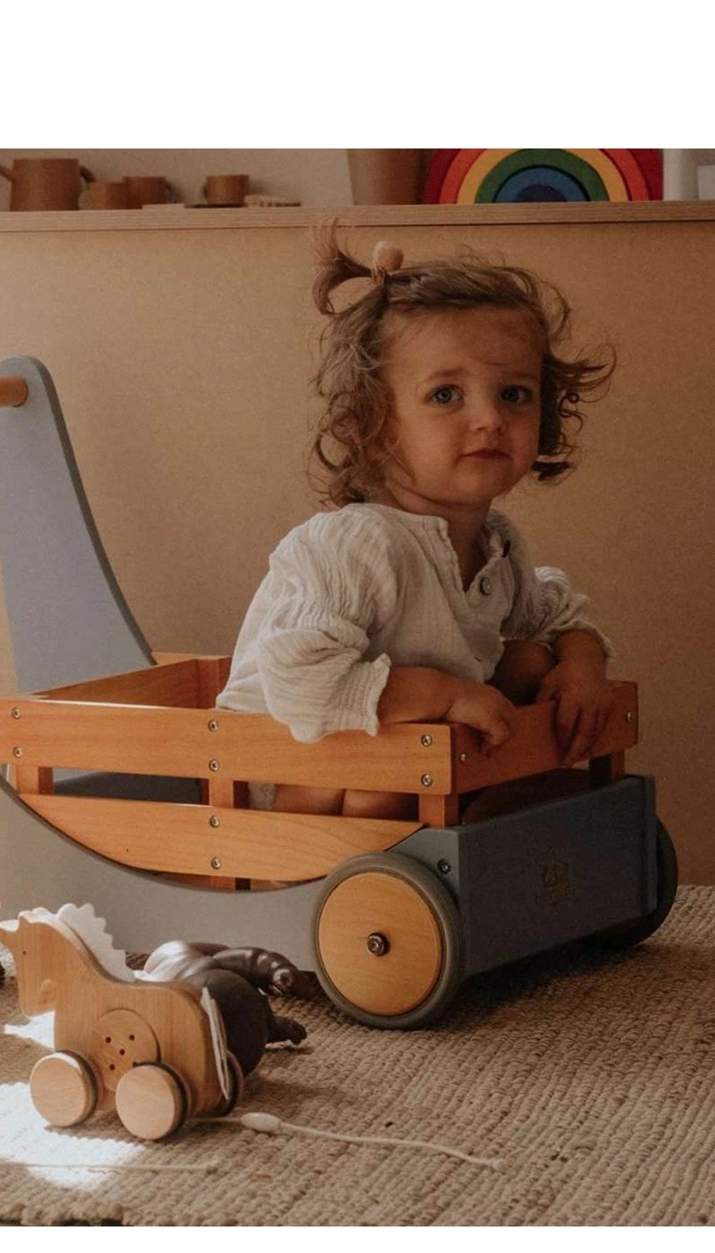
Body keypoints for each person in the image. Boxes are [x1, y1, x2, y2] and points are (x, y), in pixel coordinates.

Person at [215, 234, 617, 820]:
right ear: (375, 424)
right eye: (446, 395)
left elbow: (550, 609)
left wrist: (582, 662)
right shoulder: (358, 544)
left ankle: (464, 835)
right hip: (287, 774)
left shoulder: (496, 544)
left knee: (532, 662)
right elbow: (299, 683)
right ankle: (360, 866)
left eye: (514, 394)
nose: (490, 418)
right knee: (388, 779)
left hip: (406, 759)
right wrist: (445, 695)